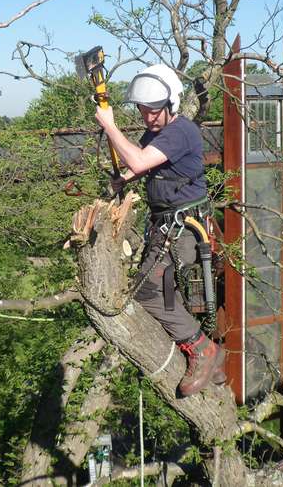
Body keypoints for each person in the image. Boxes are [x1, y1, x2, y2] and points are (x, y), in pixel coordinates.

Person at [95, 63, 224, 397]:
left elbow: (137, 160)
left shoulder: (181, 131)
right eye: (143, 110)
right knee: (165, 295)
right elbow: (143, 162)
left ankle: (202, 349)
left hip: (181, 229)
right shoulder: (157, 133)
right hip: (165, 226)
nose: (148, 117)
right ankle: (216, 370)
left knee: (149, 292)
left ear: (171, 106)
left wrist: (110, 127)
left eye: (154, 110)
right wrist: (123, 179)